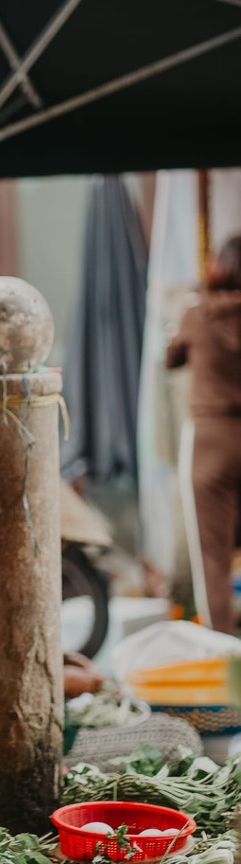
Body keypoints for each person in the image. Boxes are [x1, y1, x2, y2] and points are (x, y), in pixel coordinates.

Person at [167, 233, 241, 633]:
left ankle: (227, 651)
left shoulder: (197, 314)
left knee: (212, 556)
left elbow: (172, 357)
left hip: (211, 443)